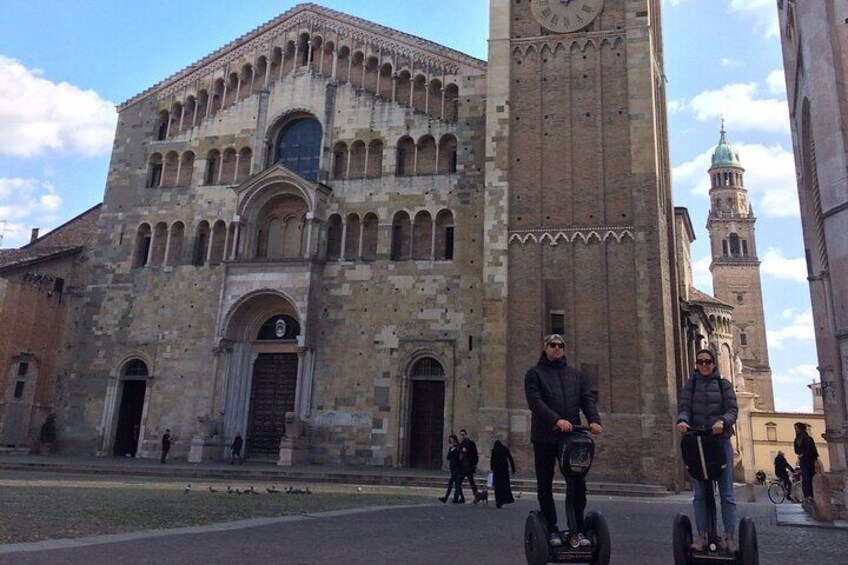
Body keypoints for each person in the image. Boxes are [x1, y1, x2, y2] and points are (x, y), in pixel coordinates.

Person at [524, 334, 602, 550]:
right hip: (545, 436)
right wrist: (556, 420)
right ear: (545, 348)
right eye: (553, 345)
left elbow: (587, 398)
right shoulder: (534, 374)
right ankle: (551, 527)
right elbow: (535, 402)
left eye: (561, 346)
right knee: (544, 484)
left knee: (578, 483)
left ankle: (576, 529)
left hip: (572, 437)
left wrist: (594, 420)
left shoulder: (575, 375)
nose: (557, 348)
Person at [676, 348, 738, 554]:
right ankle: (701, 536)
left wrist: (723, 421)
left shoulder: (724, 385)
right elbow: (684, 407)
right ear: (697, 364)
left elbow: (732, 410)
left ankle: (730, 537)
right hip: (697, 443)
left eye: (708, 362)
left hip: (719, 442)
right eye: (700, 362)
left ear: (714, 364)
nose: (704, 365)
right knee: (700, 494)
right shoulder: (690, 385)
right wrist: (683, 420)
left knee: (727, 494)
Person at [793, 422, 819, 501]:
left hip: (808, 460)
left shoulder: (807, 439)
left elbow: (810, 450)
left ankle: (810, 495)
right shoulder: (797, 439)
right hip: (803, 460)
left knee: (808, 477)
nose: (796, 430)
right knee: (804, 478)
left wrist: (803, 454)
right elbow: (796, 450)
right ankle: (807, 496)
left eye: (797, 428)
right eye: (795, 429)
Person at [439, 434, 465, 504]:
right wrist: (450, 450)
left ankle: (445, 498)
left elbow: (460, 457)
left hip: (457, 468)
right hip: (452, 468)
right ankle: (462, 498)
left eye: (452, 440)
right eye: (450, 440)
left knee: (451, 483)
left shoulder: (458, 447)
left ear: (455, 440)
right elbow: (448, 457)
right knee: (457, 484)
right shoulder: (451, 448)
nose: (451, 441)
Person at [490, 439, 516, 509]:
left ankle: (498, 501)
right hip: (504, 471)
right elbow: (510, 458)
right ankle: (504, 500)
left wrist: (492, 468)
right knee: (504, 486)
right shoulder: (504, 449)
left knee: (497, 487)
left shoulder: (494, 450)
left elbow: (492, 460)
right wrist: (513, 468)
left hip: (497, 471)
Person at [458, 428, 479, 500]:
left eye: (463, 434)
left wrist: (467, 451)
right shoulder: (461, 444)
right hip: (463, 466)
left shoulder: (471, 443)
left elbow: (474, 454)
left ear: (466, 434)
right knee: (458, 482)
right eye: (461, 435)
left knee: (471, 482)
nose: (462, 436)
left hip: (469, 466)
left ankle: (476, 496)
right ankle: (461, 497)